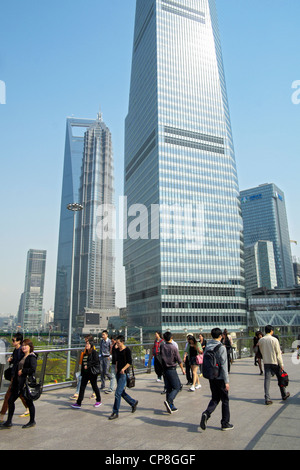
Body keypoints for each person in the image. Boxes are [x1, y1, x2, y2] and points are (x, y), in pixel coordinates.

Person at [200, 327, 233, 431]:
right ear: (220, 336)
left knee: (215, 398)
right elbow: (224, 365)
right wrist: (226, 381)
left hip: (211, 376)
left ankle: (207, 413)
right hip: (220, 377)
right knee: (225, 400)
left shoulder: (207, 346)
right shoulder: (221, 347)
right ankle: (225, 423)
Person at [1, 339, 37, 429]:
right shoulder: (23, 356)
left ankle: (32, 421)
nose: (24, 347)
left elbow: (33, 369)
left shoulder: (31, 357)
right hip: (18, 383)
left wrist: (23, 371)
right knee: (10, 400)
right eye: (23, 345)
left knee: (29, 402)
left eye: (26, 345)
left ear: (30, 347)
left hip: (25, 383)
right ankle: (9, 421)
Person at [258, 325, 290, 405]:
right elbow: (278, 353)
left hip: (266, 362)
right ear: (271, 331)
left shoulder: (261, 340)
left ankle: (267, 398)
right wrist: (281, 363)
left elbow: (261, 351)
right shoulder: (274, 340)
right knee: (280, 377)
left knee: (267, 380)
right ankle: (283, 394)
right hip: (274, 362)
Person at [0, 333, 29, 422]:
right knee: (20, 394)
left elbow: (24, 361)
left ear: (19, 341)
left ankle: (1, 415)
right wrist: (11, 359)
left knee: (8, 396)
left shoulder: (21, 351)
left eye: (14, 340)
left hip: (18, 376)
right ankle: (29, 408)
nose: (12, 342)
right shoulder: (16, 350)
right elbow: (14, 359)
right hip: (14, 375)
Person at [108, 335, 138, 420]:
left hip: (124, 373)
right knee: (121, 392)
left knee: (117, 393)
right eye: (116, 343)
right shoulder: (117, 350)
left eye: (118, 343)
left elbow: (129, 362)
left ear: (122, 342)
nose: (117, 344)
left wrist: (123, 369)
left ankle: (115, 412)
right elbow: (116, 360)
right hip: (118, 372)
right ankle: (133, 402)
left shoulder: (127, 350)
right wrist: (117, 368)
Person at [71, 336, 102, 409]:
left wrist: (88, 365)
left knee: (94, 386)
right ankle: (79, 402)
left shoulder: (94, 352)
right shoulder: (85, 353)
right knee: (82, 387)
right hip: (85, 373)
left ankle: (99, 400)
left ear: (91, 345)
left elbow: (96, 361)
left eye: (88, 344)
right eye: (86, 344)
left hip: (92, 373)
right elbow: (83, 363)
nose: (86, 345)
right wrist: (82, 372)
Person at [160, 331, 185, 414]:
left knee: (168, 388)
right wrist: (182, 369)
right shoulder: (173, 348)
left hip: (164, 369)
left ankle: (171, 406)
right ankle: (169, 400)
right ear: (171, 337)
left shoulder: (162, 346)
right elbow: (179, 359)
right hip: (171, 369)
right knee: (177, 387)